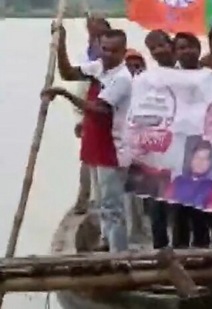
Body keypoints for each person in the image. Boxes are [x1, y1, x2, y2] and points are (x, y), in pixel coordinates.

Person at [42, 28, 133, 253]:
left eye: (114, 51)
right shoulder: (99, 68)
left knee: (112, 207)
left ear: (123, 52)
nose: (108, 54)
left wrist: (65, 94)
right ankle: (105, 241)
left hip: (112, 148)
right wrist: (60, 42)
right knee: (101, 203)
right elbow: (68, 72)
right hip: (94, 144)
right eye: (104, 49)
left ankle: (118, 255)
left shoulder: (123, 78)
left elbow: (99, 109)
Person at [72, 15, 111, 215]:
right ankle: (85, 200)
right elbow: (80, 82)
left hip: (104, 121)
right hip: (87, 116)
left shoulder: (109, 54)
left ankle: (98, 205)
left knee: (102, 170)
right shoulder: (87, 53)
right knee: (88, 163)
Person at [166, 141, 212, 211]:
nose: (200, 161)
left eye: (204, 158)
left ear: (209, 163)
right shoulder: (177, 181)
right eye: (197, 157)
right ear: (191, 159)